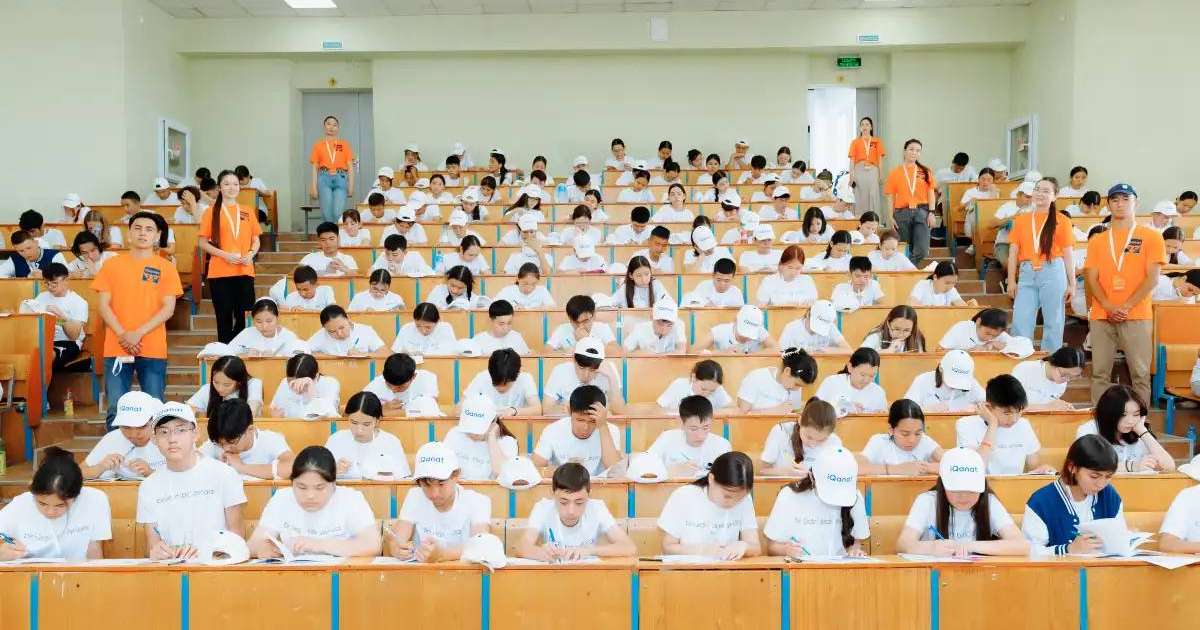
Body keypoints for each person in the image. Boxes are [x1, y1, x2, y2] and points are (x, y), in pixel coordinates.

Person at [93, 212, 181, 428]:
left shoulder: (166, 267)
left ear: (158, 235)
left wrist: (137, 333)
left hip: (152, 346)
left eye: (149, 229)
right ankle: (115, 459)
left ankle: (156, 459)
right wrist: (124, 334)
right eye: (138, 228)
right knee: (116, 408)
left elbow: (168, 309)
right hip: (116, 346)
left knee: (155, 406)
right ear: (129, 233)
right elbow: (103, 305)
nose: (143, 233)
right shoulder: (111, 265)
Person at [1085, 183, 1164, 404]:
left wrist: (1126, 306)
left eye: (1125, 199)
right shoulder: (1098, 240)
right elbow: (1092, 278)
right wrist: (1109, 307)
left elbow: (1152, 278)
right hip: (1103, 314)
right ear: (1108, 204)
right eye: (1115, 200)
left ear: (1136, 203)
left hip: (1137, 314)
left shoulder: (1151, 236)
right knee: (1100, 373)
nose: (1120, 204)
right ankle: (1100, 423)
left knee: (1140, 374)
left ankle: (1140, 427)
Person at [137, 402, 246, 560]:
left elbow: (238, 538)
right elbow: (152, 545)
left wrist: (211, 554)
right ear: (154, 438)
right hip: (171, 571)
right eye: (164, 432)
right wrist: (157, 552)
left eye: (181, 430)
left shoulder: (224, 474)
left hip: (216, 568)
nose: (172, 439)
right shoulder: (148, 486)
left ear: (196, 434)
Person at [249, 445, 380, 559]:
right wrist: (261, 548)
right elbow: (253, 544)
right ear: (292, 483)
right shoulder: (281, 498)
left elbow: (372, 545)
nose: (310, 495)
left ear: (333, 484)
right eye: (301, 487)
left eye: (319, 488)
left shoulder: (351, 499)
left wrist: (319, 545)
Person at [896, 448, 1028, 556]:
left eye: (971, 491)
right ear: (943, 485)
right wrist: (930, 548)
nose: (963, 497)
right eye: (955, 490)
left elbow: (1022, 546)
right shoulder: (927, 501)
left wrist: (968, 546)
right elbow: (903, 544)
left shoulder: (990, 502)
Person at [0, 446, 111, 561]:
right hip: (30, 575)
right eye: (42, 503)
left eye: (60, 505)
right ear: (32, 491)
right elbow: (2, 534)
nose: (50, 512)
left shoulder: (95, 500)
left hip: (75, 574)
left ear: (77, 494)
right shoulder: (21, 504)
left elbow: (94, 549)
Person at [386, 442, 491, 562]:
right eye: (426, 485)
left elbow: (482, 545)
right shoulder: (414, 495)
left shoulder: (478, 501)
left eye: (441, 484)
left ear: (456, 476)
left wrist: (443, 555)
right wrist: (396, 548)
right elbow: (399, 538)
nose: (434, 493)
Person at [1022, 434, 1123, 556]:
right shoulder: (1041, 502)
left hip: (1103, 572)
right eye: (1094, 476)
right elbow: (1028, 552)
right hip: (1057, 574)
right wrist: (1068, 549)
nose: (1101, 484)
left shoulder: (1110, 496)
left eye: (1108, 477)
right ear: (1072, 467)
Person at [516, 463, 636, 561]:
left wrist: (588, 551)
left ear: (589, 494)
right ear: (552, 493)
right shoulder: (543, 508)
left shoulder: (597, 507)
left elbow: (629, 547)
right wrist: (541, 553)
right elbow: (522, 547)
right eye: (563, 502)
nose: (571, 511)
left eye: (579, 502)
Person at [1007, 178, 1074, 351]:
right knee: (1021, 320)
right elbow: (1013, 252)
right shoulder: (1021, 220)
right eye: (1037, 189)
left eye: (1046, 191)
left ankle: (1050, 363)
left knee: (1054, 321)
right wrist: (1011, 280)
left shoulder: (1062, 220)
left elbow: (1068, 254)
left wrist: (1072, 284)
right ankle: (1020, 358)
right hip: (1027, 272)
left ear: (1055, 196)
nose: (1040, 193)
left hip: (1053, 270)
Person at [764, 447, 869, 558]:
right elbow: (772, 548)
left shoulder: (855, 497)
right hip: (800, 571)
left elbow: (856, 545)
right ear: (812, 477)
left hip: (840, 571)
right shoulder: (789, 495)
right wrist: (786, 550)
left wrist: (855, 551)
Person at [657, 451, 760, 560]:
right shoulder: (684, 496)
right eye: (727, 496)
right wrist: (702, 551)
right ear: (711, 479)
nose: (733, 502)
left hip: (726, 572)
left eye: (739, 498)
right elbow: (667, 547)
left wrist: (744, 546)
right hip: (684, 571)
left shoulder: (745, 500)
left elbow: (756, 547)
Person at [197, 170, 261, 344]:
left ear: (240, 187)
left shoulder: (247, 211)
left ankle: (242, 352)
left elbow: (256, 239)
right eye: (226, 184)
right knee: (223, 318)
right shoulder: (211, 212)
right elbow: (202, 243)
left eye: (235, 184)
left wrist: (251, 254)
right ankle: (226, 355)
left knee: (245, 317)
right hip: (220, 273)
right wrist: (225, 255)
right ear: (219, 188)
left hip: (244, 270)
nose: (231, 187)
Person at [956, 374, 1054, 475]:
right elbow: (975, 468)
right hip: (982, 488)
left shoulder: (1023, 425)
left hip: (1015, 486)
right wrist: (992, 424)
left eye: (1019, 411)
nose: (1014, 419)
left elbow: (1034, 466)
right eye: (1007, 413)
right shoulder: (966, 425)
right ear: (988, 407)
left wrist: (1042, 470)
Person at [1075, 384, 1174, 473]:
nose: (1130, 421)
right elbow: (1089, 465)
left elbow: (1169, 467)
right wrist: (1132, 466)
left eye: (1135, 415)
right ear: (1109, 413)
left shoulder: (1139, 432)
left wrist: (1143, 432)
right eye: (1123, 415)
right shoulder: (1089, 429)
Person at [533, 384, 623, 474]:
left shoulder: (610, 430)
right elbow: (535, 469)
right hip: (565, 485)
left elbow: (616, 471)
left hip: (598, 486)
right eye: (580, 420)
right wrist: (565, 471)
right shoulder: (552, 430)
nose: (586, 427)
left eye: (592, 421)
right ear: (569, 412)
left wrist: (602, 426)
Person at [200, 399, 293, 480]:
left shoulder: (271, 440)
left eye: (231, 442)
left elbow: (292, 467)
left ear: (250, 430)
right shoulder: (217, 440)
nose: (226, 448)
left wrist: (241, 467)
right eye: (221, 444)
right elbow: (193, 464)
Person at [325, 391, 411, 480]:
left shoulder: (391, 442)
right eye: (354, 422)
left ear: (377, 421)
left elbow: (404, 479)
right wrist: (333, 471)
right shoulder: (336, 439)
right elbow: (319, 476)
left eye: (366, 424)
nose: (359, 430)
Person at [82, 391, 165, 480]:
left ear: (153, 421)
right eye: (126, 427)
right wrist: (100, 467)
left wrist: (150, 472)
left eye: (141, 427)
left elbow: (180, 479)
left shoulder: (168, 438)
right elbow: (80, 472)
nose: (133, 435)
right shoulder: (113, 438)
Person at [647, 395, 732, 477]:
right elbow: (642, 468)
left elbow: (730, 477)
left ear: (712, 421)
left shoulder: (722, 445)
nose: (700, 436)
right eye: (693, 429)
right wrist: (671, 471)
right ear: (681, 422)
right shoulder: (667, 438)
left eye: (706, 427)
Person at [883, 139, 937, 266]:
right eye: (911, 149)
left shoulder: (925, 171)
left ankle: (907, 268)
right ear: (904, 151)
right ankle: (907, 273)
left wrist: (932, 213)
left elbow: (931, 193)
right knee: (903, 248)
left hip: (922, 212)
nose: (914, 153)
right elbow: (889, 197)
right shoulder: (895, 172)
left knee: (923, 250)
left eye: (918, 150)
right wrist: (890, 217)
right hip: (902, 213)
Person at [759, 397, 843, 476]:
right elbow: (762, 470)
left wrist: (811, 475)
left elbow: (838, 474)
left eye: (821, 440)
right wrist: (785, 472)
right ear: (800, 420)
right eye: (809, 437)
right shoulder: (781, 432)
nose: (812, 444)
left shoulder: (834, 442)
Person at [443, 394, 518, 481]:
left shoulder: (507, 442)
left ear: (493, 421)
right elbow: (443, 468)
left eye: (478, 429)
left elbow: (503, 473)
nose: (472, 434)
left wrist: (492, 438)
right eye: (468, 428)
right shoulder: (455, 434)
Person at [31, 263, 89, 372]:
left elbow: (73, 336)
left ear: (66, 280)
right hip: (43, 341)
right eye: (46, 284)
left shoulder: (79, 302)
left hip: (67, 342)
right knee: (31, 355)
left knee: (45, 356)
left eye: (54, 284)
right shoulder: (41, 297)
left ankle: (41, 386)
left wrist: (61, 317)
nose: (50, 287)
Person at [544, 338, 625, 414]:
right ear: (573, 359)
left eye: (592, 370)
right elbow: (546, 409)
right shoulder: (560, 370)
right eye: (581, 368)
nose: (586, 375)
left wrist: (612, 377)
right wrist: (570, 409)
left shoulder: (609, 370)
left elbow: (619, 411)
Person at [462, 348, 542, 417]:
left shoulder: (525, 378)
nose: (500, 388)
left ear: (518, 372)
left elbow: (537, 410)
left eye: (505, 384)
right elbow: (460, 408)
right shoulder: (482, 377)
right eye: (496, 383)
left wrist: (514, 411)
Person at [737, 347, 818, 413]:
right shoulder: (756, 378)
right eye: (797, 384)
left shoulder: (795, 387)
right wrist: (774, 411)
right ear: (787, 371)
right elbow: (742, 415)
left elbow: (794, 410)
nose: (798, 389)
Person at [903, 350, 985, 413]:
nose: (955, 386)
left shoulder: (971, 383)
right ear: (940, 368)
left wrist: (976, 408)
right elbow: (905, 410)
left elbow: (990, 405)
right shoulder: (923, 380)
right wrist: (926, 410)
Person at [814, 347, 888, 416]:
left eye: (872, 376)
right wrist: (844, 408)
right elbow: (814, 410)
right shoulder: (832, 382)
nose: (866, 380)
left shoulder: (878, 392)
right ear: (850, 367)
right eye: (862, 375)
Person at [310, 115, 355, 223]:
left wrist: (351, 185)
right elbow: (314, 167)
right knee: (327, 213)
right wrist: (313, 187)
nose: (331, 127)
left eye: (335, 125)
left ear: (338, 128)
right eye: (329, 124)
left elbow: (350, 166)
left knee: (337, 212)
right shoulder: (318, 145)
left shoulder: (344, 145)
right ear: (324, 126)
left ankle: (336, 236)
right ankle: (330, 237)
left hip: (341, 178)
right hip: (324, 178)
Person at [268, 353, 341, 418]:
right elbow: (276, 410)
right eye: (291, 383)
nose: (296, 389)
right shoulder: (284, 383)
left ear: (316, 376)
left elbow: (330, 416)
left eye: (302, 385)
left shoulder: (331, 383)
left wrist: (311, 390)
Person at [364, 352, 439, 415]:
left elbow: (430, 410)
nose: (394, 390)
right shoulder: (377, 383)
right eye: (389, 385)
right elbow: (359, 408)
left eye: (400, 387)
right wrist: (380, 410)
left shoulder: (426, 378)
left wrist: (399, 413)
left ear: (413, 377)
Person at [188, 355, 263, 417]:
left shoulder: (253, 384)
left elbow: (252, 411)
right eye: (216, 382)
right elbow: (187, 410)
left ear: (239, 382)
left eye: (227, 385)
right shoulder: (207, 388)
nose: (220, 389)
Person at [656, 359, 734, 414]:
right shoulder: (679, 385)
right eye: (703, 389)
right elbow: (658, 409)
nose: (706, 394)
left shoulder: (717, 388)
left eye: (712, 391)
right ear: (694, 377)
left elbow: (731, 409)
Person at [306, 305, 386, 356]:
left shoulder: (365, 331)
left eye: (342, 328)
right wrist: (324, 356)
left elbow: (387, 354)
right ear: (324, 328)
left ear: (348, 318)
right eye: (332, 332)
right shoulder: (322, 334)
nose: (339, 334)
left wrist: (363, 354)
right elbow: (301, 350)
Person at [696, 303, 777, 354]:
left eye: (750, 334)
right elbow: (695, 352)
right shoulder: (720, 330)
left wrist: (752, 356)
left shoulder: (760, 330)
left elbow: (777, 349)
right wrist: (722, 353)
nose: (746, 337)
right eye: (743, 332)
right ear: (735, 320)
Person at [547, 295, 617, 353]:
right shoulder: (562, 329)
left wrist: (588, 341)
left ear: (594, 315)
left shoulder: (602, 328)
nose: (581, 326)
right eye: (576, 322)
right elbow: (545, 351)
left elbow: (617, 352)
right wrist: (563, 353)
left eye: (585, 321)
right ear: (569, 318)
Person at [847, 117, 884, 223]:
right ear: (860, 128)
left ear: (871, 127)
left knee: (873, 195)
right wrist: (851, 176)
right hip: (859, 170)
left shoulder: (877, 141)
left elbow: (880, 160)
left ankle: (874, 221)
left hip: (873, 170)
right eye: (862, 124)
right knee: (859, 195)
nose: (865, 127)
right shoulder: (855, 142)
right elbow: (852, 160)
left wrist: (881, 175)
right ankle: (859, 221)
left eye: (867, 124)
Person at [779, 299, 850, 353]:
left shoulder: (830, 326)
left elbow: (848, 350)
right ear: (808, 314)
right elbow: (781, 353)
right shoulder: (791, 328)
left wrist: (826, 349)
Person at [392, 302, 458, 356]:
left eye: (428, 327)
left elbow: (451, 353)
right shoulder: (406, 328)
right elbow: (395, 353)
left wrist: (425, 355)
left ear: (437, 321)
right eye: (418, 326)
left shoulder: (445, 328)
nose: (423, 331)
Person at [938, 308, 1015, 352]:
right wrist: (969, 352)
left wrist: (995, 344)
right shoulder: (962, 328)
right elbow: (939, 352)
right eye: (987, 333)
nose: (989, 338)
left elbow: (1021, 346)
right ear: (978, 322)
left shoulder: (999, 333)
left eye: (995, 336)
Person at [0, 230, 67, 278]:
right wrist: (16, 280)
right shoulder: (15, 258)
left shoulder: (54, 255)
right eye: (21, 251)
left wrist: (45, 276)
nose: (26, 253)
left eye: (29, 248)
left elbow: (65, 276)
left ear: (36, 243)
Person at [861, 305, 926, 353]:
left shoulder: (917, 338)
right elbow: (860, 357)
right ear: (888, 324)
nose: (901, 334)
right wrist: (889, 350)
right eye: (897, 329)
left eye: (906, 330)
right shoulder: (875, 336)